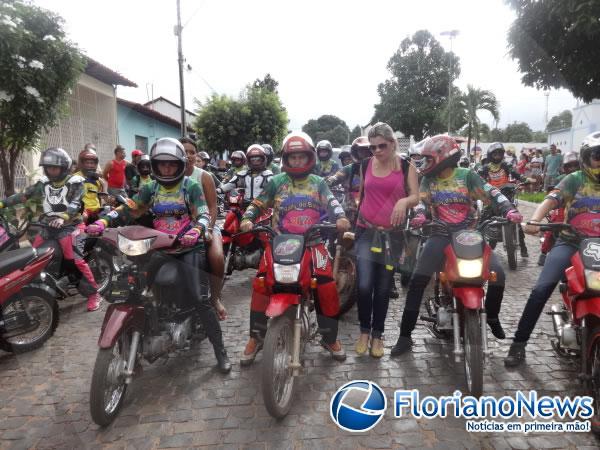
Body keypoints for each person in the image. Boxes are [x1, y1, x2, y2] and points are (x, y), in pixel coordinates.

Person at [87, 138, 231, 373]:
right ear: (154, 165)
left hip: (188, 248)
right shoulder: (151, 188)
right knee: (137, 291)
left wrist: (197, 229)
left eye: (171, 164)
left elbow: (204, 212)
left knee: (200, 299)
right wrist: (103, 220)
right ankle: (140, 341)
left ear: (179, 164)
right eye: (161, 164)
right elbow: (130, 208)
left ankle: (220, 352)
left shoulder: (190, 186)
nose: (166, 169)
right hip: (159, 248)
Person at [390, 135, 524, 356]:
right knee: (418, 280)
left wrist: (509, 209)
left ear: (442, 156)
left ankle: (491, 316)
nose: (425, 163)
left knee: (498, 274)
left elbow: (492, 192)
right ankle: (405, 336)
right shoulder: (428, 181)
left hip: (470, 234)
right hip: (439, 234)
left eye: (428, 158)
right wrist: (421, 216)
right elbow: (422, 203)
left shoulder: (467, 176)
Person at [238, 131, 350, 365]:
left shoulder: (318, 183)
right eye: (292, 157)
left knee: (326, 285)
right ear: (285, 160)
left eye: (301, 157)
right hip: (280, 243)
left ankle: (330, 338)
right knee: (261, 282)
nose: (297, 161)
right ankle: (256, 337)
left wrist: (340, 217)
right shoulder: (276, 182)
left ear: (309, 157)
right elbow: (258, 203)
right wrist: (248, 218)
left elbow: (332, 203)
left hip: (314, 242)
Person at [504, 134, 600, 367]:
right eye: (598, 156)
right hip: (571, 242)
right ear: (587, 158)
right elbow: (551, 200)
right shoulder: (574, 180)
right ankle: (519, 344)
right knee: (542, 288)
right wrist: (534, 221)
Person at [0, 147, 102, 311]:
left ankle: (93, 293)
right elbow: (24, 195)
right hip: (48, 227)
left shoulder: (75, 182)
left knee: (75, 260)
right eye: (48, 168)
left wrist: (64, 217)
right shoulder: (43, 184)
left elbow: (76, 203)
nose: (51, 171)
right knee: (31, 257)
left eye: (55, 168)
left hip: (71, 226)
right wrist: (3, 203)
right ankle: (39, 291)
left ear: (63, 167)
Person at [353, 123, 419, 358]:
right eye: (373, 147)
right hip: (366, 231)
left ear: (392, 143)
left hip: (393, 236)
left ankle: (378, 335)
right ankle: (363, 331)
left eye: (382, 145)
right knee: (363, 285)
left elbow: (416, 196)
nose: (378, 151)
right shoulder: (364, 165)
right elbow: (363, 194)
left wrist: (403, 202)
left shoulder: (405, 165)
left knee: (382, 287)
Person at [180, 137, 227, 321]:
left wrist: (208, 228)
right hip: (176, 228)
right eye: (185, 151)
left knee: (216, 257)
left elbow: (213, 207)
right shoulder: (165, 175)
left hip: (206, 224)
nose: (189, 155)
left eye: (192, 152)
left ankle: (214, 299)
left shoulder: (204, 176)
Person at [478, 142, 534, 257]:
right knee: (482, 220)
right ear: (490, 155)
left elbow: (515, 173)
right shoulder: (485, 168)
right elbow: (478, 178)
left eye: (499, 153)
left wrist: (524, 178)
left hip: (506, 195)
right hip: (491, 197)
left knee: (516, 219)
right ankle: (477, 245)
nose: (497, 155)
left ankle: (523, 247)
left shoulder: (505, 165)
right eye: (495, 153)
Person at [538, 151, 580, 266]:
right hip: (562, 208)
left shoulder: (589, 180)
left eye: (576, 165)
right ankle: (544, 252)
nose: (573, 168)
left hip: (583, 212)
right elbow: (553, 194)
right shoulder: (561, 179)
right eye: (569, 166)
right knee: (552, 227)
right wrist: (535, 219)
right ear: (564, 168)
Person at [326, 136, 372, 226]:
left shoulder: (377, 169)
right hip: (350, 205)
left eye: (367, 150)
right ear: (355, 152)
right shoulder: (350, 168)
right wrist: (329, 180)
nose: (364, 153)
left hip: (370, 206)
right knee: (340, 224)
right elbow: (338, 176)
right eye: (361, 150)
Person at [75, 145, 105, 225]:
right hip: (83, 210)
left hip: (96, 209)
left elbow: (101, 196)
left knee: (109, 217)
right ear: (81, 164)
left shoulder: (98, 179)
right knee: (82, 218)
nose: (90, 165)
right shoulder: (75, 178)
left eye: (92, 163)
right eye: (87, 163)